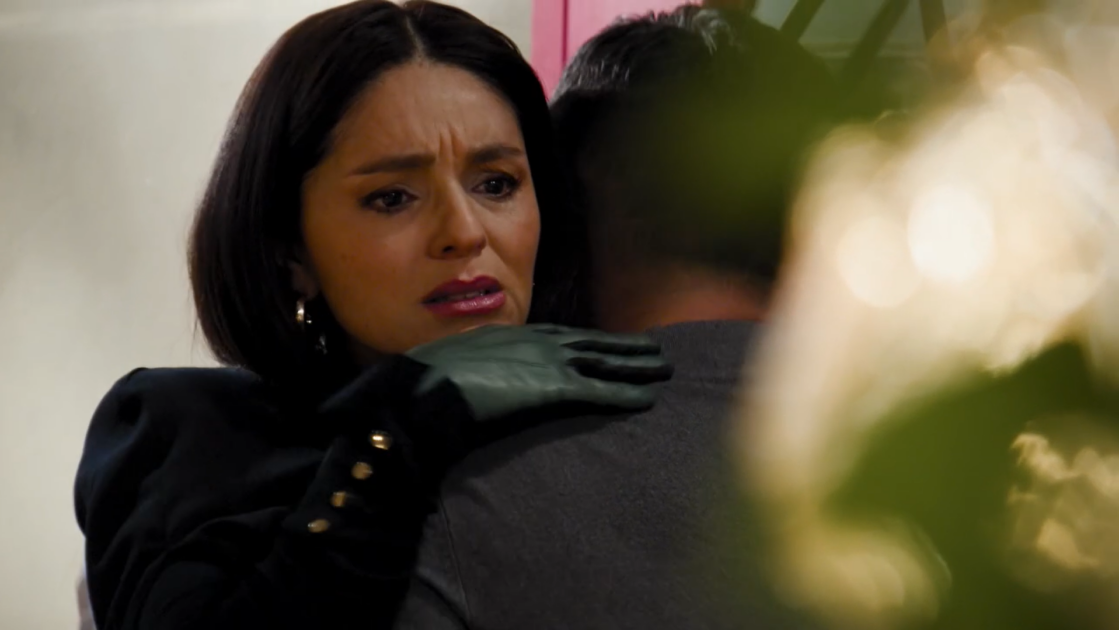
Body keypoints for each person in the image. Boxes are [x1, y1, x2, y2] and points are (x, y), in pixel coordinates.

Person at [73, 2, 673, 630]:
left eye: (496, 184)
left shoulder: (615, 425)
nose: (464, 232)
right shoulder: (188, 435)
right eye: (392, 198)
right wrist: (400, 428)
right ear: (291, 252)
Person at [393, 5, 837, 630]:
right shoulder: (956, 472)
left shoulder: (460, 497)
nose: (466, 234)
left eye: (500, 185)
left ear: (576, 188)